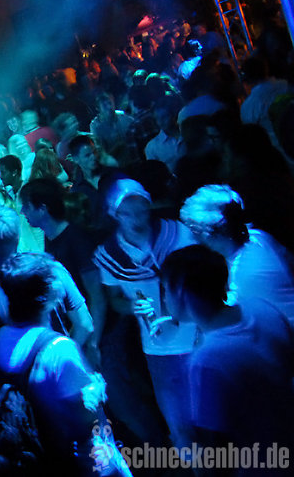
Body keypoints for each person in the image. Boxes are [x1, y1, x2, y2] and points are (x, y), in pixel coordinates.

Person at [160, 245, 294, 461]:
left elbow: (216, 458)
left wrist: (185, 444)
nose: (164, 299)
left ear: (181, 291)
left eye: (165, 289)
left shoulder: (207, 361)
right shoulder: (261, 308)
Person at [93, 178, 197, 449]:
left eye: (141, 210)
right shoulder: (109, 255)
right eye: (127, 213)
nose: (136, 218)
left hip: (198, 337)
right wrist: (131, 307)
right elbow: (114, 299)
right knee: (181, 429)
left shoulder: (178, 234)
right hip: (158, 348)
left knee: (212, 418)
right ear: (114, 214)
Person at [0, 252, 107, 475]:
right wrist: (97, 388)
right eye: (53, 276)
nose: (59, 278)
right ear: (45, 294)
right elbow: (86, 420)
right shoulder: (58, 349)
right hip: (81, 460)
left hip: (34, 458)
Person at [0, 203, 93, 364]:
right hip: (66, 370)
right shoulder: (52, 268)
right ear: (18, 235)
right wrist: (64, 359)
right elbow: (85, 325)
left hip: (20, 379)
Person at [19, 178, 107, 366]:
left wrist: (94, 344)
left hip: (101, 335)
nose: (22, 211)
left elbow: (97, 296)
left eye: (26, 206)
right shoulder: (50, 237)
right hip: (82, 329)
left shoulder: (76, 239)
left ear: (42, 208)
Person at [180, 184, 294, 323]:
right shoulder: (258, 237)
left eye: (195, 230)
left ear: (214, 233)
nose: (191, 237)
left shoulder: (246, 275)